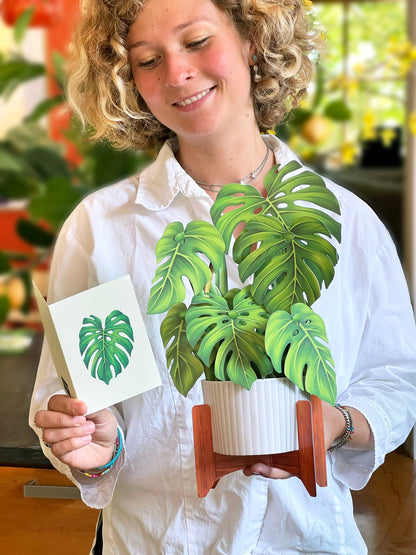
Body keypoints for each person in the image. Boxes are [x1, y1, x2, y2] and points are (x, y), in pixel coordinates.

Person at [30, 0, 416, 553]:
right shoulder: (102, 230)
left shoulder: (344, 221)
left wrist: (341, 425)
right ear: (129, 81)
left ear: (251, 40)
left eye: (196, 41)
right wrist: (96, 449)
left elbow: (395, 377)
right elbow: (80, 397)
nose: (177, 73)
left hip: (308, 542)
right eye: (147, 60)